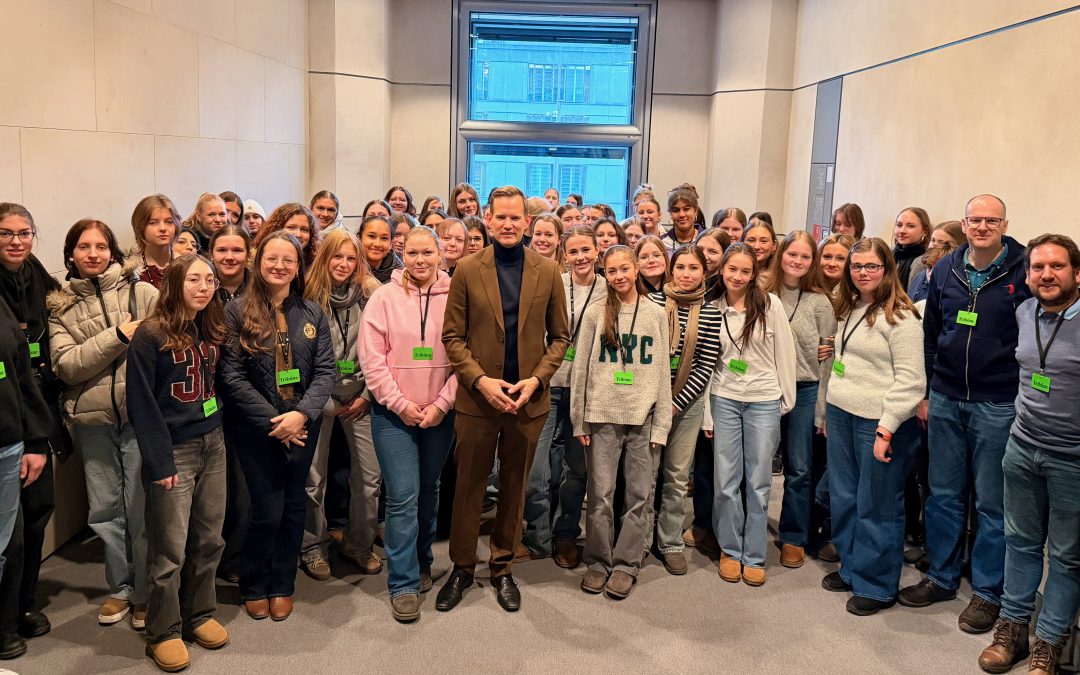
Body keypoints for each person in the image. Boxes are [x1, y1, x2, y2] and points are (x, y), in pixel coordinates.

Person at [899, 194, 1032, 634]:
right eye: (975, 220)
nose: (981, 227)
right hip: (946, 397)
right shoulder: (946, 268)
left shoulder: (1023, 269)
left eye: (991, 221)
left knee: (993, 505)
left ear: (1004, 224)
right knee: (943, 494)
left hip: (997, 402)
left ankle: (988, 593)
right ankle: (941, 575)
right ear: (964, 222)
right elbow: (931, 331)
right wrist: (927, 391)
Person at [437, 186, 570, 613]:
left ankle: (502, 566)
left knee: (515, 486)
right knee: (469, 487)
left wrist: (536, 380)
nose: (509, 225)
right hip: (479, 400)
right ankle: (461, 566)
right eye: (501, 218)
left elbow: (561, 337)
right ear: (489, 220)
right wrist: (480, 381)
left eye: (517, 218)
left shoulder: (547, 271)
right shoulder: (467, 269)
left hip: (528, 400)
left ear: (527, 223)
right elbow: (452, 337)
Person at [218, 231, 335, 622]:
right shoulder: (236, 311)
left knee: (294, 505)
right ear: (258, 260)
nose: (280, 266)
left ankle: (283, 583)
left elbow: (325, 372)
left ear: (299, 266)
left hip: (303, 424)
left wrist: (301, 415)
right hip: (257, 429)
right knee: (265, 509)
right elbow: (231, 376)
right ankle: (255, 583)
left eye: (289, 260)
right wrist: (276, 421)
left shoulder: (313, 312)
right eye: (273, 258)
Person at [977, 234, 1080, 675]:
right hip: (1022, 447)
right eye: (1037, 267)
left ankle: (1049, 644)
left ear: (1077, 273)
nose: (1046, 275)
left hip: (1072, 459)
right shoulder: (1024, 312)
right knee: (1018, 544)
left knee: (1066, 556)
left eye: (1057, 266)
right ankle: (1012, 629)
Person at [48, 218, 158, 628]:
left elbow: (165, 350)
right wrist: (119, 336)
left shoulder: (143, 293)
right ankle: (120, 588)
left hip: (139, 420)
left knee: (140, 507)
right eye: (83, 246)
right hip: (92, 423)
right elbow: (68, 367)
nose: (92, 253)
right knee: (105, 510)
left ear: (113, 250)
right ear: (70, 254)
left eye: (100, 245)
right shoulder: (60, 309)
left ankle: (146, 591)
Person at [126, 255, 230, 672]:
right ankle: (164, 631)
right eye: (193, 279)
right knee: (169, 550)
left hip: (213, 443)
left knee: (209, 539)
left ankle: (200, 613)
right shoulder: (150, 334)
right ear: (174, 282)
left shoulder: (210, 324)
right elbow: (141, 403)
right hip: (175, 452)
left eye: (209, 280)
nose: (203, 287)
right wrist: (160, 461)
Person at [820, 237, 924, 615]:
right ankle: (852, 566)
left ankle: (878, 585)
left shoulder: (902, 316)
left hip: (880, 422)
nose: (862, 272)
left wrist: (887, 428)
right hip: (842, 412)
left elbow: (912, 381)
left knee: (877, 504)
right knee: (845, 497)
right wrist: (830, 412)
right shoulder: (849, 307)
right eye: (856, 266)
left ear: (887, 269)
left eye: (871, 266)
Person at [360, 226, 458, 622]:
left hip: (440, 413)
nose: (419, 261)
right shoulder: (383, 297)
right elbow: (372, 358)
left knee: (429, 490)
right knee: (402, 494)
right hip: (392, 415)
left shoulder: (457, 297)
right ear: (404, 255)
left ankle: (421, 561)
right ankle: (401, 582)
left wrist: (441, 404)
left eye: (427, 253)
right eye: (412, 253)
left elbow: (466, 357)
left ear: (439, 254)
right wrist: (400, 404)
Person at [570, 245, 672, 598]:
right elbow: (580, 368)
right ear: (605, 273)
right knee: (600, 494)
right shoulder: (597, 312)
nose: (619, 276)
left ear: (636, 268)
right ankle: (598, 560)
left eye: (625, 268)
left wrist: (661, 424)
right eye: (611, 270)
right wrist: (578, 419)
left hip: (642, 418)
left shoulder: (656, 314)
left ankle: (627, 563)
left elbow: (662, 374)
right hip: (602, 417)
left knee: (639, 494)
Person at [707, 242, 796, 587]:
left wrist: (784, 400)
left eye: (746, 271)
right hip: (725, 398)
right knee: (726, 481)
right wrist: (707, 416)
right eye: (732, 269)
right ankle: (730, 550)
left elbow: (784, 353)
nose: (738, 277)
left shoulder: (769, 304)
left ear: (754, 273)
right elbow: (710, 364)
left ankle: (754, 554)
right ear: (723, 269)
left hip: (763, 401)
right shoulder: (713, 307)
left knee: (759, 482)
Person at [300, 229, 382, 581]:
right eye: (337, 257)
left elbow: (385, 351)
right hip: (319, 401)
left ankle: (359, 545)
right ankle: (312, 547)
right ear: (324, 258)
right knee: (312, 478)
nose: (344, 264)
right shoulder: (305, 296)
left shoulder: (373, 294)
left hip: (362, 398)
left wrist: (367, 395)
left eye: (351, 258)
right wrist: (321, 401)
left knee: (370, 478)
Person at [0, 204, 58, 660]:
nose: (16, 241)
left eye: (24, 233)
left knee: (37, 514)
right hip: (10, 419)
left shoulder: (38, 278)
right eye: (5, 233)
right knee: (10, 532)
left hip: (38, 411)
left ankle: (23, 603)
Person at [643, 245, 721, 575]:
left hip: (686, 406)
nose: (686, 274)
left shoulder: (713, 311)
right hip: (650, 403)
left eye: (694, 268)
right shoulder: (653, 304)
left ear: (705, 273)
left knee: (675, 477)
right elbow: (644, 355)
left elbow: (706, 364)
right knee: (646, 475)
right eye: (681, 267)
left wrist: (676, 402)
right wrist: (659, 400)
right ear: (670, 270)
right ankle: (642, 539)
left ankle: (670, 540)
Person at [762, 231, 837, 569]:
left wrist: (821, 410)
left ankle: (793, 535)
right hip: (766, 388)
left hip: (805, 389)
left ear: (813, 262)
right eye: (793, 254)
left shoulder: (821, 302)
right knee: (758, 464)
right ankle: (749, 529)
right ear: (782, 254)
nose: (798, 261)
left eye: (805, 257)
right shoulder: (763, 293)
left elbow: (828, 359)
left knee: (800, 467)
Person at [0, 312, 52, 587]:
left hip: (10, 445)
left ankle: (11, 622)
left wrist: (35, 440)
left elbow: (21, 377)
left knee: (7, 545)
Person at [130, 195, 182, 290]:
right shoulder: (131, 270)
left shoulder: (186, 264)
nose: (163, 228)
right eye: (153, 223)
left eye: (169, 222)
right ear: (141, 227)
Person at [907, 221, 964, 300]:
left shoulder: (962, 280)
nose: (934, 245)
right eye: (933, 240)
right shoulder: (919, 275)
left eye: (942, 242)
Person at [255, 203, 321, 268]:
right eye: (291, 227)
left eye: (304, 229)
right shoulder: (258, 261)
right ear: (276, 229)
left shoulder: (316, 265)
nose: (298, 234)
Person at [209, 226, 251, 302]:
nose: (229, 257)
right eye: (222, 250)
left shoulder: (261, 287)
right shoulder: (201, 287)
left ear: (248, 255)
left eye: (237, 250)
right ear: (211, 254)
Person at [893, 207, 931, 290]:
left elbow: (912, 298)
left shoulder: (921, 262)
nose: (902, 231)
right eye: (899, 225)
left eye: (910, 226)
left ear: (925, 231)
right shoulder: (889, 254)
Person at [359, 215, 403, 285]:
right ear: (359, 239)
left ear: (391, 244)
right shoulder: (348, 264)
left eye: (384, 238)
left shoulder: (399, 274)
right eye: (371, 236)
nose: (377, 244)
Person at [696, 228, 731, 301]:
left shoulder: (727, 288)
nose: (704, 256)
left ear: (725, 256)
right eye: (700, 249)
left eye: (712, 252)